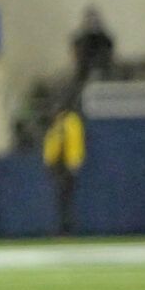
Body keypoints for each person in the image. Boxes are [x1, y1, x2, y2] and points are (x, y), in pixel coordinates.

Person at [42, 101, 85, 236]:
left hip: (66, 164)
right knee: (61, 199)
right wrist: (49, 161)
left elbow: (73, 142)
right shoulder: (59, 124)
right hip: (59, 165)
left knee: (65, 198)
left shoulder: (69, 122)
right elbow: (52, 145)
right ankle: (63, 227)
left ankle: (66, 228)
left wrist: (74, 161)